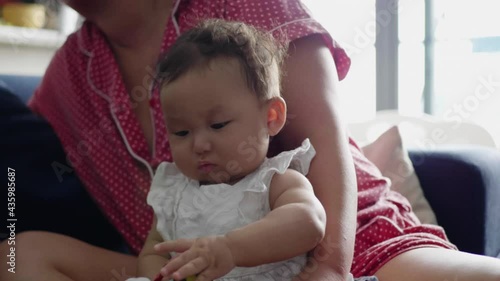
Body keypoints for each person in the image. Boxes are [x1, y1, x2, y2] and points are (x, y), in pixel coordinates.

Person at [0, 0, 499, 281]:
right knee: (21, 256)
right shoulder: (72, 68)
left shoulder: (239, 6)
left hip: (351, 247)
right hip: (189, 266)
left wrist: (328, 267)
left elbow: (322, 146)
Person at [129, 19, 328, 281]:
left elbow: (308, 221)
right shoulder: (173, 193)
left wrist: (231, 248)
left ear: (271, 116)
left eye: (218, 125)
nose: (199, 145)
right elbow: (153, 253)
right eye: (181, 132)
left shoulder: (275, 181)